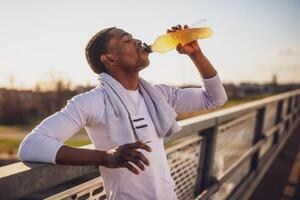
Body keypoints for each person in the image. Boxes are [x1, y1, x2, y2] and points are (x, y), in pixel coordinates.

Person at [18, 24, 228, 200]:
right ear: (109, 59)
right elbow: (30, 145)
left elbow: (216, 98)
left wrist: (196, 54)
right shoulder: (92, 101)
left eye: (135, 38)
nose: (138, 42)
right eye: (127, 41)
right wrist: (105, 157)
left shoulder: (158, 94)